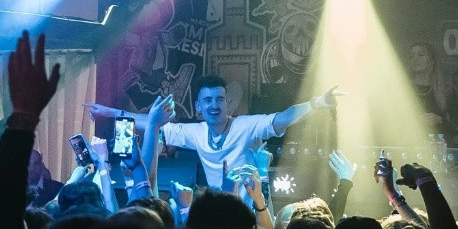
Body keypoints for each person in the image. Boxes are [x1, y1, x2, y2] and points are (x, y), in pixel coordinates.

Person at [85, 75, 338, 189]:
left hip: (251, 206)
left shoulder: (245, 126)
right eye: (208, 101)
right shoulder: (196, 132)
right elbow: (151, 122)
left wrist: (316, 103)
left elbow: (283, 118)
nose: (214, 105)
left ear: (227, 103)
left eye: (220, 99)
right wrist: (108, 112)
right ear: (198, 106)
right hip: (218, 207)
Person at [408, 42, 450, 133]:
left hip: (438, 140)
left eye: (420, 55)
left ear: (432, 60)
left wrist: (439, 120)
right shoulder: (404, 87)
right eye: (411, 56)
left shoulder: (445, 89)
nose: (415, 59)